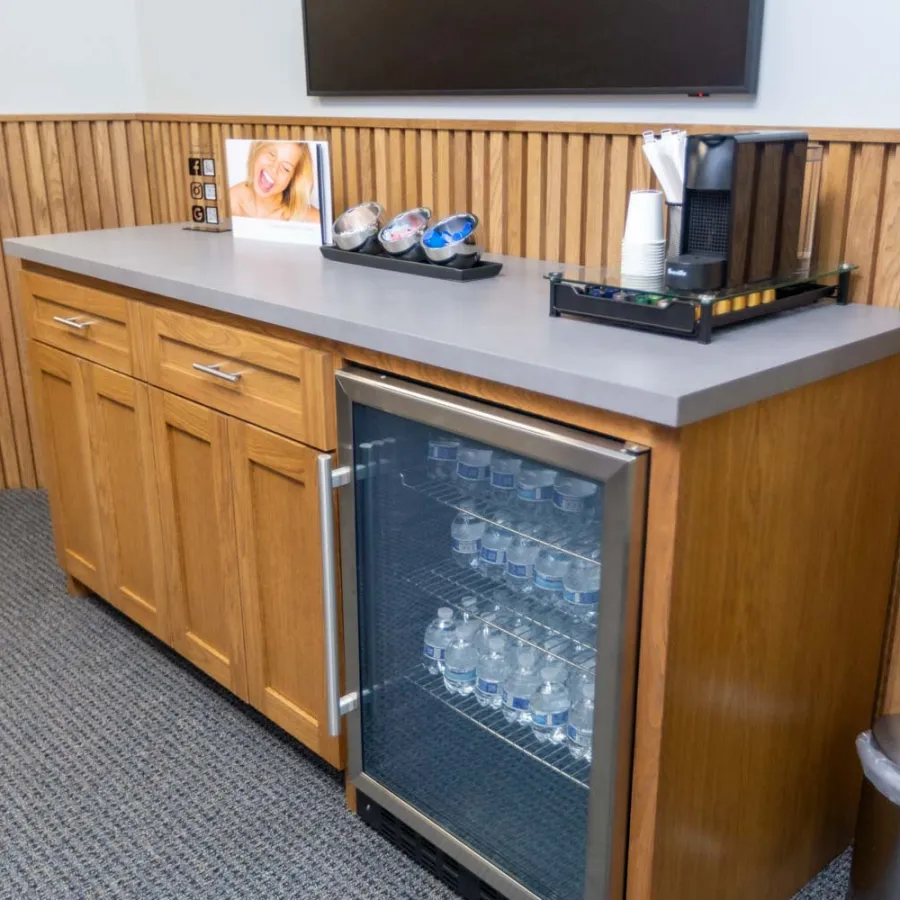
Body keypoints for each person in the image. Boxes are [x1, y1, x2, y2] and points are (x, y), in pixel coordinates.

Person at [230, 141, 320, 223]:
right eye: (271, 154)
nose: (274, 169)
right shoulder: (227, 203)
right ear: (257, 150)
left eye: (285, 168)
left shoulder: (314, 220)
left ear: (293, 178)